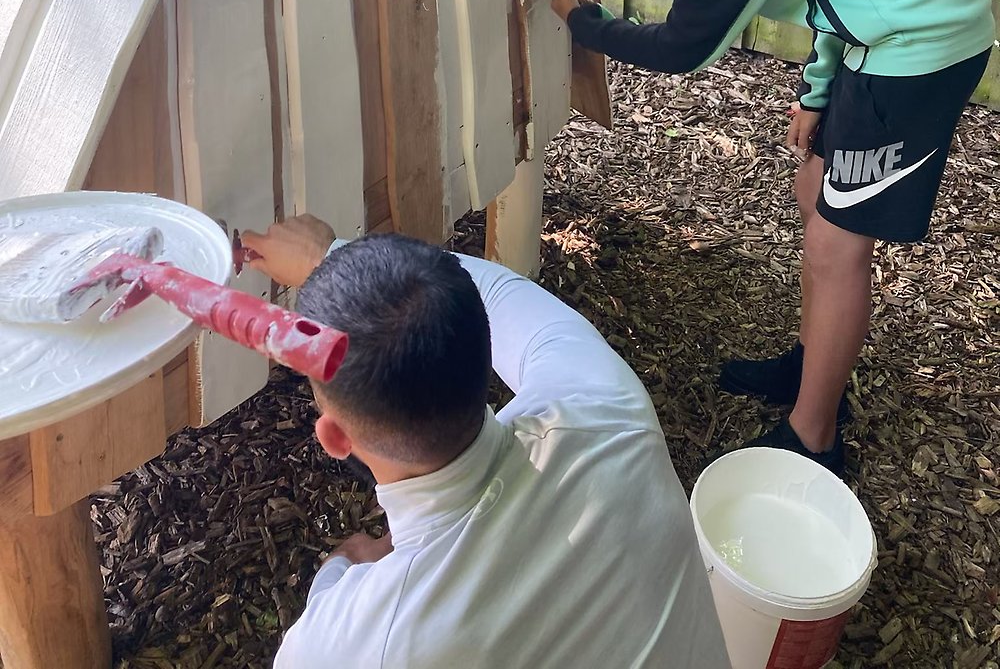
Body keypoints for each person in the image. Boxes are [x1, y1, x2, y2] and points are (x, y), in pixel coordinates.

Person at [552, 0, 996, 476]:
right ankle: (811, 364)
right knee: (812, 190)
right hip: (878, 30)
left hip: (922, 44)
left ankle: (814, 434)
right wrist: (816, 92)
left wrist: (584, 23)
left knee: (836, 244)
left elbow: (686, 47)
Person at [242, 215, 731, 669]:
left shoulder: (359, 644)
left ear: (334, 437)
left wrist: (337, 571)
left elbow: (333, 623)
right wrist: (326, 256)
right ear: (486, 347)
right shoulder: (604, 407)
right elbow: (499, 292)